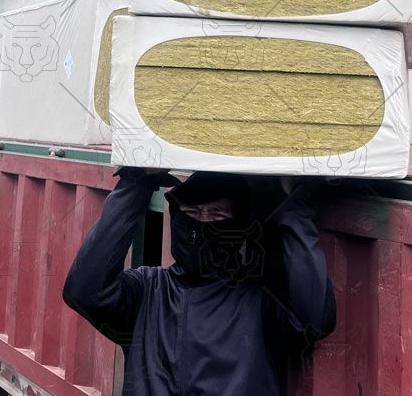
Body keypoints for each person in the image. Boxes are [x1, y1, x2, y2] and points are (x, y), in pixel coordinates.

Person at [63, 166, 336, 395]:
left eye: (217, 214)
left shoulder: (260, 298)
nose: (203, 222)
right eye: (192, 212)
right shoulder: (147, 291)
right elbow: (85, 291)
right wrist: (136, 185)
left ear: (238, 228)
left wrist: (294, 211)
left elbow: (313, 320)